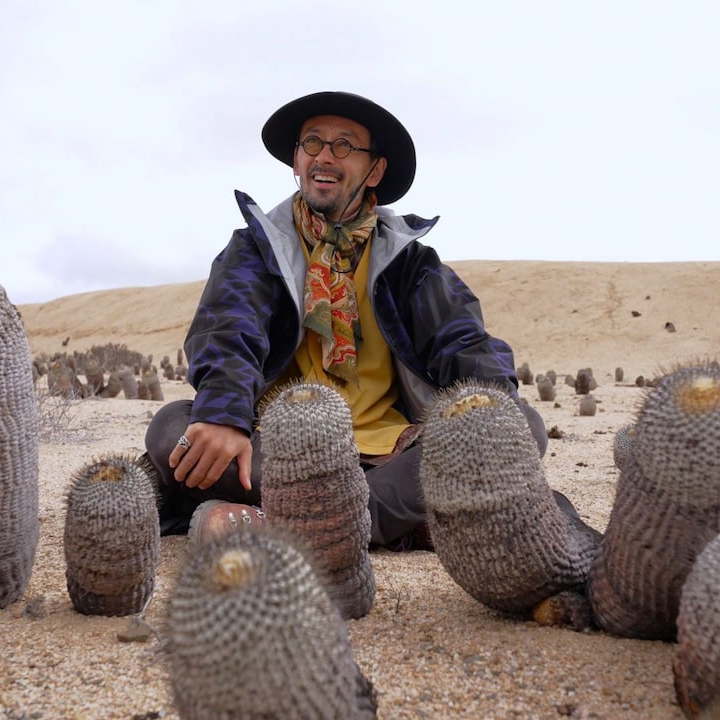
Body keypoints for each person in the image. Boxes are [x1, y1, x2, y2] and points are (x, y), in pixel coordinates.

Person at [143, 90, 578, 548]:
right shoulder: (256, 248)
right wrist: (225, 415)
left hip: (394, 453)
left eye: (344, 145)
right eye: (313, 142)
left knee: (519, 425)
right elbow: (229, 329)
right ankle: (397, 520)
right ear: (296, 160)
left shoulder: (409, 261)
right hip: (278, 448)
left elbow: (464, 342)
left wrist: (493, 419)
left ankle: (308, 522)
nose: (324, 156)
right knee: (172, 428)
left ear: (375, 171)